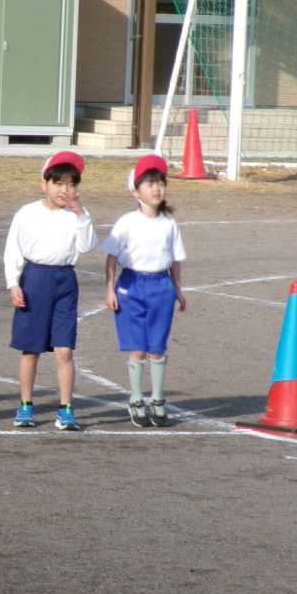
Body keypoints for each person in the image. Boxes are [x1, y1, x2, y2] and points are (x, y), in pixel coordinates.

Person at [4, 150, 98, 431]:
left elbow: (87, 246)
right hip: (35, 280)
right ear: (43, 184)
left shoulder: (77, 215)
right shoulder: (27, 213)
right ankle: (25, 405)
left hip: (65, 281)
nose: (64, 190)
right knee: (30, 349)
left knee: (64, 350)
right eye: (58, 183)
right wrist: (13, 284)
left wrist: (80, 213)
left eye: (71, 184)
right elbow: (13, 251)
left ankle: (66, 408)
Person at [102, 154, 187, 428]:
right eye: (150, 183)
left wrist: (178, 290)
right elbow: (111, 258)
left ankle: (158, 400)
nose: (157, 188)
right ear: (135, 191)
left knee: (157, 348)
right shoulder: (127, 222)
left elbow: (175, 260)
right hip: (131, 286)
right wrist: (110, 289)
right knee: (137, 349)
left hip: (161, 287)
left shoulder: (169, 223)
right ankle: (137, 399)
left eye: (160, 182)